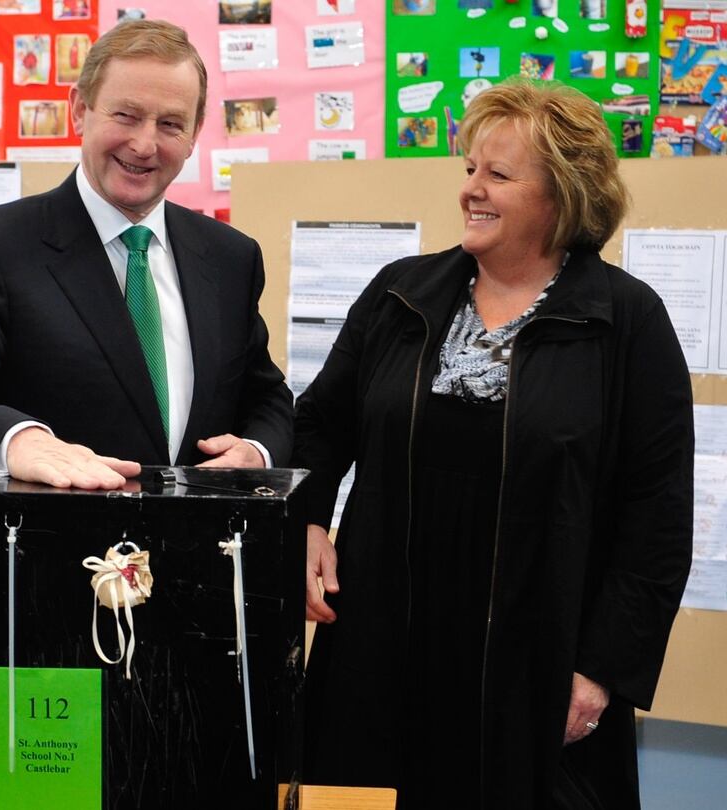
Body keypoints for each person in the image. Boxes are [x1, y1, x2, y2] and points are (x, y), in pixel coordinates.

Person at [295, 79, 694, 808]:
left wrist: (602, 671)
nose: (470, 190)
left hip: (537, 666)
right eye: (470, 169)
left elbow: (657, 518)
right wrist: (312, 518)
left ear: (562, 196)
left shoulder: (626, 323)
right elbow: (319, 424)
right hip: (384, 650)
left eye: (498, 175)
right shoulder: (400, 294)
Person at [0, 19, 292, 696]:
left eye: (170, 124)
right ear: (78, 109)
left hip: (202, 610)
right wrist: (18, 441)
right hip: (44, 606)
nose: (144, 143)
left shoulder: (229, 257)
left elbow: (265, 394)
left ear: (194, 134)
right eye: (125, 115)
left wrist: (258, 454)